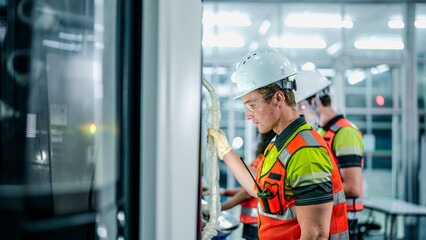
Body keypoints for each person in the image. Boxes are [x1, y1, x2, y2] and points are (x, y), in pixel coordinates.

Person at [208, 48, 349, 240]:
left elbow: (315, 235)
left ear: (278, 98)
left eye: (252, 105)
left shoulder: (305, 151)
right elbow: (259, 189)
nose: (248, 115)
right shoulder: (279, 144)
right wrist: (225, 152)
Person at [294, 69, 364, 240]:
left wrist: (305, 194)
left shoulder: (345, 133)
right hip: (326, 217)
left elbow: (353, 188)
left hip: (343, 221)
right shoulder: (320, 131)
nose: (299, 112)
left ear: (314, 101)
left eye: (301, 105)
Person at [220, 130, 275, 240]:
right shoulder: (261, 158)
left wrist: (219, 208)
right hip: (254, 223)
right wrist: (225, 192)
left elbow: (247, 193)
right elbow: (248, 187)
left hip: (259, 223)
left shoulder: (266, 160)